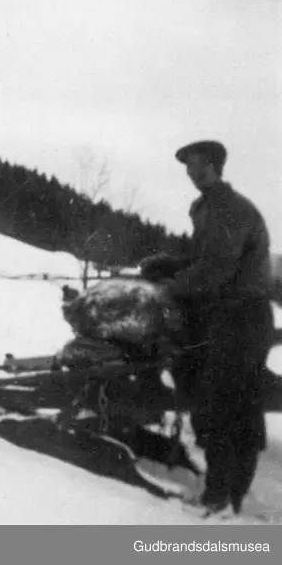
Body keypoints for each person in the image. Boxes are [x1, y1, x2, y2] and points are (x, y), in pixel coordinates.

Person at [139, 140, 274, 516]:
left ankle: (220, 498)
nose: (190, 172)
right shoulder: (214, 207)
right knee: (233, 407)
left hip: (239, 319)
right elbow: (206, 258)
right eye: (187, 166)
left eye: (196, 165)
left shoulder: (228, 208)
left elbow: (215, 270)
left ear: (213, 166)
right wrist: (169, 263)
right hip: (230, 316)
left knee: (221, 407)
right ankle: (228, 494)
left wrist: (170, 287)